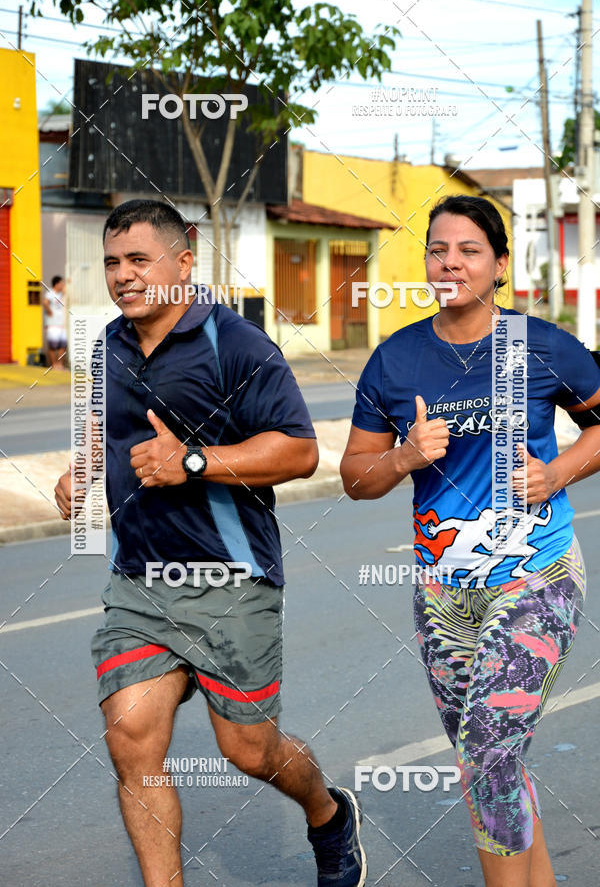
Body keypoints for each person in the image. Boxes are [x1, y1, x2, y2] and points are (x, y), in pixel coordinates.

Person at [54, 199, 367, 887]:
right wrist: (78, 472)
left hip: (233, 581)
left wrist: (192, 461)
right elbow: (97, 431)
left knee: (249, 750)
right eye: (112, 262)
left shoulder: (240, 345)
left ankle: (327, 813)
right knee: (132, 739)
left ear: (184, 261)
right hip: (138, 581)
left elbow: (300, 452)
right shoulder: (102, 345)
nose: (123, 276)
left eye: (139, 260)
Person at [340, 194, 600, 887]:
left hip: (537, 577)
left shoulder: (539, 345)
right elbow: (355, 478)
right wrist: (401, 459)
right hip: (442, 596)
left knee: (486, 753)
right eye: (437, 249)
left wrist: (557, 472)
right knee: (491, 762)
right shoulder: (395, 361)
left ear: (499, 266)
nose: (450, 262)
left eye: (469, 250)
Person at [43, 275, 68, 369]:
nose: (62, 285)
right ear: (56, 284)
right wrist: (50, 312)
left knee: (63, 345)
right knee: (53, 345)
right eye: (61, 283)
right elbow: (45, 302)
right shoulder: (50, 292)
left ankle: (60, 364)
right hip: (52, 324)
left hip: (62, 324)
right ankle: (54, 364)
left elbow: (67, 294)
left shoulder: (61, 294)